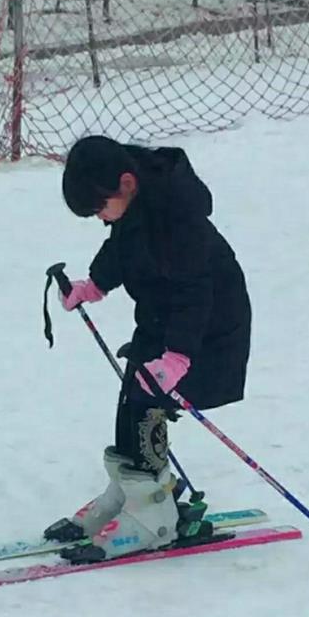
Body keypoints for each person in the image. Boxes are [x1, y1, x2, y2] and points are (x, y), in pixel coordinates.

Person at [45, 135, 252, 564]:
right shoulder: (136, 198)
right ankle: (132, 491)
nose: (102, 218)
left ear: (125, 183)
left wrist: (178, 356)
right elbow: (123, 246)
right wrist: (95, 284)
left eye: (100, 208)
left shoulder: (177, 217)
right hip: (164, 319)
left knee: (149, 398)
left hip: (208, 328)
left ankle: (154, 514)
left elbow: (195, 293)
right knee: (133, 394)